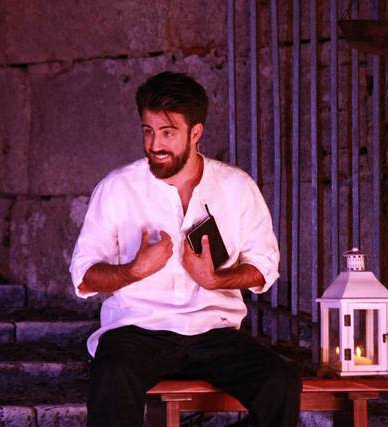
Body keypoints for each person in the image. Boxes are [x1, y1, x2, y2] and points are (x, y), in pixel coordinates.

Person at [69, 71, 299, 427]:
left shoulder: (236, 187)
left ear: (196, 133)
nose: (155, 144)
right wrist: (134, 270)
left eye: (168, 133)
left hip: (214, 332)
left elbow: (264, 266)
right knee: (112, 373)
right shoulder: (117, 188)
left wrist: (216, 279)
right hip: (137, 331)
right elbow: (84, 276)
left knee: (280, 381)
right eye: (148, 131)